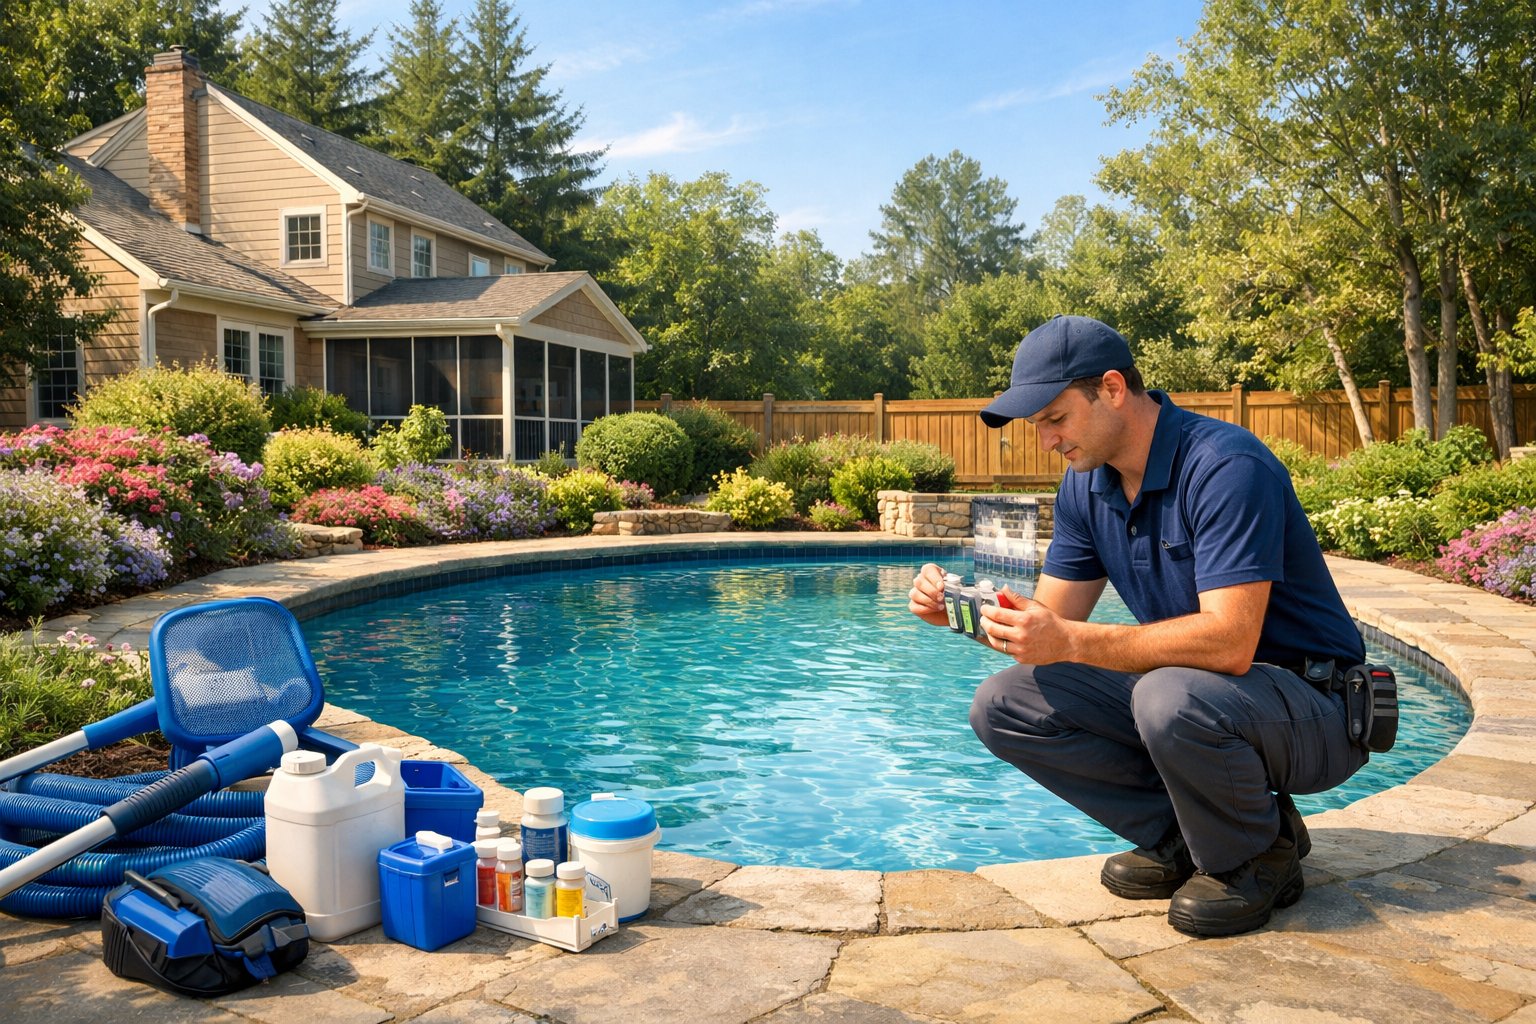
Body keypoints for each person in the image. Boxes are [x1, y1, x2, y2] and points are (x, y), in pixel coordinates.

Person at [908, 314, 1368, 938]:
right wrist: (964, 614)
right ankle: (1189, 835)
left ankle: (1258, 858)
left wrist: (1068, 640)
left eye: (1054, 418)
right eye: (1037, 425)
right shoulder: (1086, 486)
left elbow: (1230, 644)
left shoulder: (1224, 466)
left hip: (1319, 708)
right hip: (1206, 697)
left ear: (1114, 388)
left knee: (1166, 693)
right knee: (1007, 702)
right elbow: (1049, 628)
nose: (1046, 441)